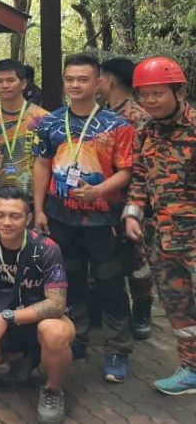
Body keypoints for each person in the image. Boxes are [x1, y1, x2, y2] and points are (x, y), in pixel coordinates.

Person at [32, 53, 135, 383]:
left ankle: (117, 348)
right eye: (70, 79)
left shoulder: (117, 126)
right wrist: (37, 209)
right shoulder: (50, 122)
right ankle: (75, 338)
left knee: (110, 283)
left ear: (98, 83)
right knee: (70, 280)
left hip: (104, 221)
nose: (75, 85)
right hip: (61, 218)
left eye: (83, 79)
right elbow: (41, 166)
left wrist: (100, 190)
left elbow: (128, 171)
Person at [0, 189, 74, 424]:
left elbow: (57, 304)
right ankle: (23, 356)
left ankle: (52, 390)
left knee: (54, 332)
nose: (6, 222)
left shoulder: (46, 248)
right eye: (0, 215)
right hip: (4, 321)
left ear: (27, 218)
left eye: (15, 216)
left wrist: (8, 317)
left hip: (39, 320)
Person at [124, 57, 196, 395]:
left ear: (178, 90)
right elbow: (139, 177)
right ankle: (190, 368)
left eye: (158, 94)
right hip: (163, 241)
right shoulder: (146, 132)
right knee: (177, 307)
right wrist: (132, 212)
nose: (150, 101)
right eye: (144, 95)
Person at [100, 57, 154, 339]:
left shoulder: (136, 117)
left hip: (134, 199)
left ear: (109, 81)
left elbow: (142, 166)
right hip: (107, 198)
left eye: (99, 78)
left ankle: (142, 310)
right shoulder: (105, 112)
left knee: (137, 257)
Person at [0, 60, 49, 222]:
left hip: (32, 199)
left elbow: (48, 162)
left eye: (10, 80)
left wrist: (39, 209)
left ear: (23, 83)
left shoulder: (42, 117)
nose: (5, 86)